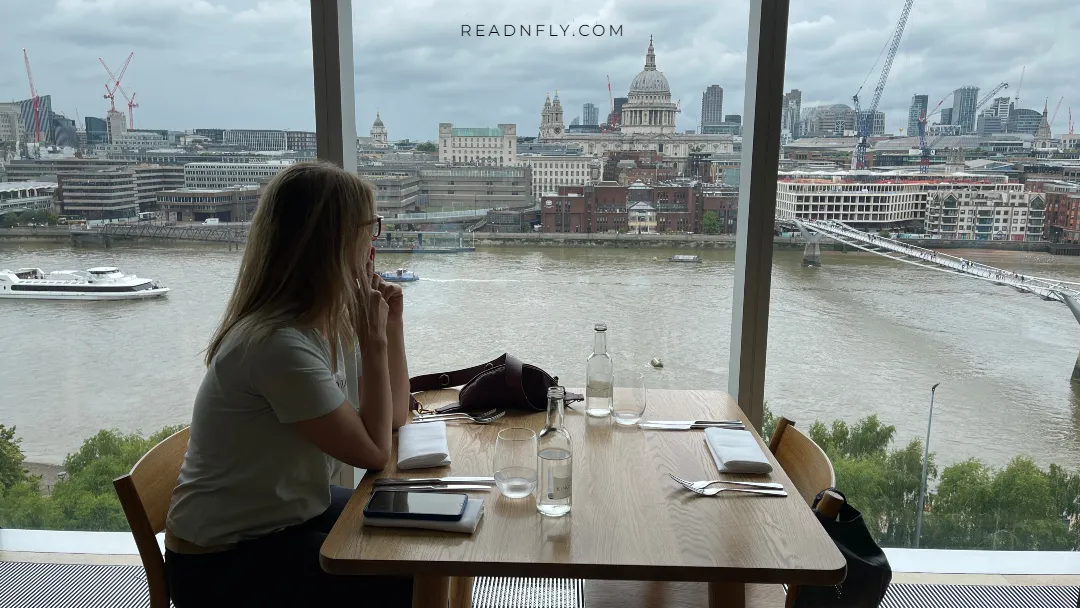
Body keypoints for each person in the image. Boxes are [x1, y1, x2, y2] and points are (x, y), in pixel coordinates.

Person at [164, 161, 413, 607]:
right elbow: (375, 454)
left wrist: (391, 326)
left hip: (283, 521)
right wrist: (373, 341)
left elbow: (393, 419)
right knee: (407, 579)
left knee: (419, 541)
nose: (374, 244)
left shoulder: (313, 326)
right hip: (222, 562)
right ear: (334, 243)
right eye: (369, 229)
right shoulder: (278, 346)